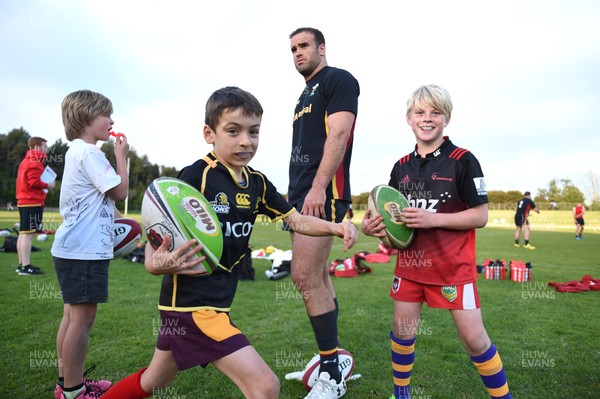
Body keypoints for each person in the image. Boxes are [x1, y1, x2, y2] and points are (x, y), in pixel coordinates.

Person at [101, 87, 358, 399]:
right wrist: (155, 262)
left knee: (155, 380)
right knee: (264, 386)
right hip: (193, 307)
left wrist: (336, 226)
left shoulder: (258, 183)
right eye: (233, 131)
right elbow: (159, 230)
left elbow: (296, 220)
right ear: (210, 133)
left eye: (254, 132)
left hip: (211, 304)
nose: (245, 141)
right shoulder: (198, 175)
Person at [362, 84, 512, 399]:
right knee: (402, 334)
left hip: (453, 268)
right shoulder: (400, 166)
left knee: (475, 340)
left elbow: (480, 215)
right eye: (420, 112)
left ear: (446, 119)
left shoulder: (464, 160)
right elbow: (393, 223)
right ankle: (400, 395)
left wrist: (435, 219)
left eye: (435, 112)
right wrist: (372, 226)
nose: (427, 119)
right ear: (408, 118)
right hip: (410, 268)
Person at [287, 27, 360, 399]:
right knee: (317, 274)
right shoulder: (303, 94)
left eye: (304, 46)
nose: (298, 53)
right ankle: (331, 359)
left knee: (303, 275)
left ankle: (331, 374)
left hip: (323, 193)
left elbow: (339, 136)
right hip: (300, 196)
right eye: (293, 48)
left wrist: (317, 189)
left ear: (322, 48)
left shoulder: (339, 79)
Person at [52, 90, 130, 399]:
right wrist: (121, 157)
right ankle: (73, 391)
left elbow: (105, 202)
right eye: (106, 114)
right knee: (82, 321)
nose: (112, 120)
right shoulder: (92, 154)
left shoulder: (75, 152)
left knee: (71, 317)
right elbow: (119, 192)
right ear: (86, 118)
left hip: (70, 248)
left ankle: (67, 383)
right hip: (84, 251)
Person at [15, 136, 55, 275]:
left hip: (25, 201)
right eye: (45, 146)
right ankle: (26, 266)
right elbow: (34, 182)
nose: (46, 149)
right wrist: (47, 185)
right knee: (29, 234)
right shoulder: (34, 162)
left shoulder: (27, 160)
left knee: (24, 233)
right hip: (32, 201)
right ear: (37, 147)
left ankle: (21, 265)